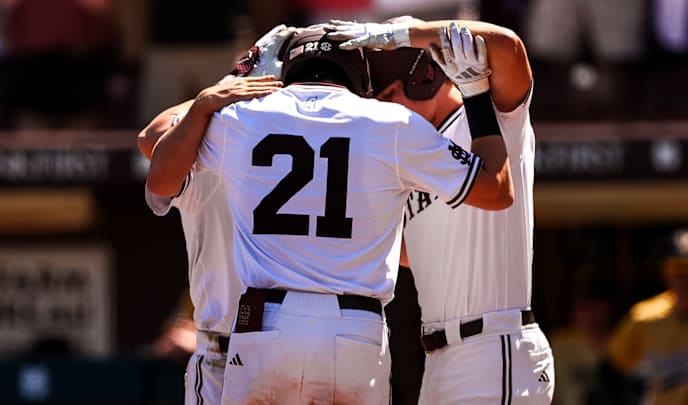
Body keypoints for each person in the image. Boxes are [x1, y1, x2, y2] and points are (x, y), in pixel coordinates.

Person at [145, 25, 513, 404]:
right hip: (354, 327)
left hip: (265, 324)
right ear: (359, 75)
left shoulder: (243, 116)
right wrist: (476, 95)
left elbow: (159, 174)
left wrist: (214, 94)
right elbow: (496, 189)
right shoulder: (392, 122)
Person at [326, 16, 555, 403]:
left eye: (385, 97)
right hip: (440, 355)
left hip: (493, 347)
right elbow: (421, 255)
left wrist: (402, 34)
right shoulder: (413, 152)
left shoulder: (486, 117)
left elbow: (509, 46)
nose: (379, 111)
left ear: (422, 80)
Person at [136, 26, 291, 405]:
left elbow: (149, 138)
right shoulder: (333, 131)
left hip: (231, 347)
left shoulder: (211, 136)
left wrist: (214, 95)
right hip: (300, 343)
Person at [607, 227, 688, 404]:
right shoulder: (644, 318)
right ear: (665, 272)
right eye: (674, 268)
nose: (682, 278)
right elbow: (613, 369)